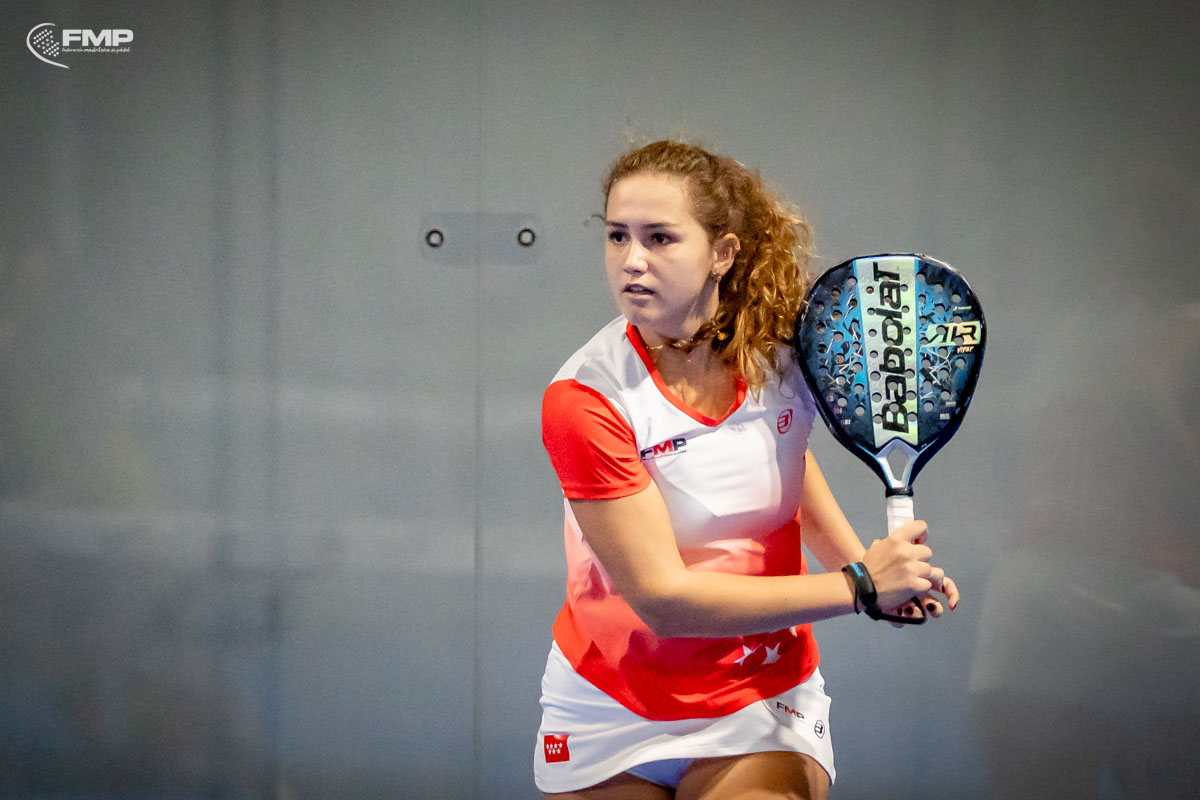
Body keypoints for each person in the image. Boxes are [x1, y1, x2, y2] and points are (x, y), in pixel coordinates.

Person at [534, 139, 959, 799]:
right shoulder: (585, 399)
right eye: (618, 236)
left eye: (659, 237)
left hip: (761, 692)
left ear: (722, 253)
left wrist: (875, 576)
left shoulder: (784, 357)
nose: (632, 260)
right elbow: (663, 601)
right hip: (609, 696)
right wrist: (858, 585)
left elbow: (783, 462)